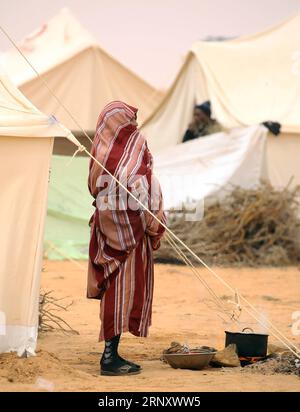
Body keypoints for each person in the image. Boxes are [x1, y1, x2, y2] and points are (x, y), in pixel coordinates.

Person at [87, 101, 166, 376]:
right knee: (121, 294)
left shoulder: (99, 147)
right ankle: (109, 360)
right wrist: (154, 226)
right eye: (132, 119)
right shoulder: (136, 145)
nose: (135, 124)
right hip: (131, 236)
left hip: (106, 232)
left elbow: (96, 187)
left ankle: (112, 353)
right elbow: (143, 187)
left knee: (114, 294)